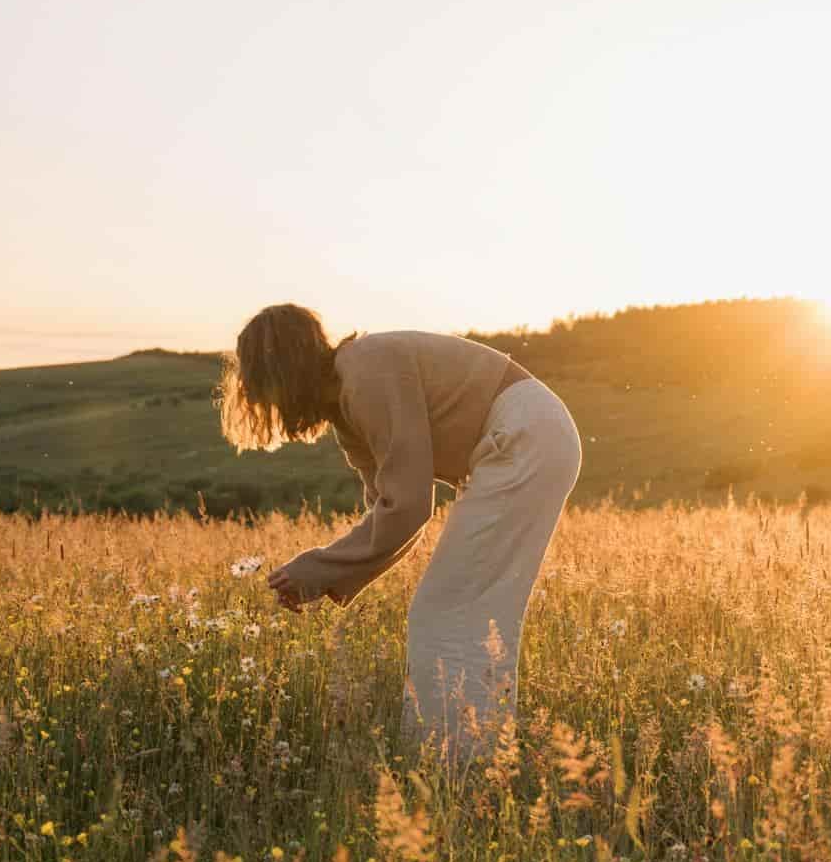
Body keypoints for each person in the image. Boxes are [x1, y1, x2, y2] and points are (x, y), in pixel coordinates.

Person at [216, 303, 582, 762]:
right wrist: (327, 576)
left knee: (449, 610)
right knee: (467, 611)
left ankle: (456, 764)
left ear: (283, 368)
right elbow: (389, 510)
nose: (263, 397)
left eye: (262, 381)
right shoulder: (347, 408)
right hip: (529, 436)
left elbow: (409, 506)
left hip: (525, 434)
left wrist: (320, 566)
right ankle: (469, 759)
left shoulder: (365, 371)